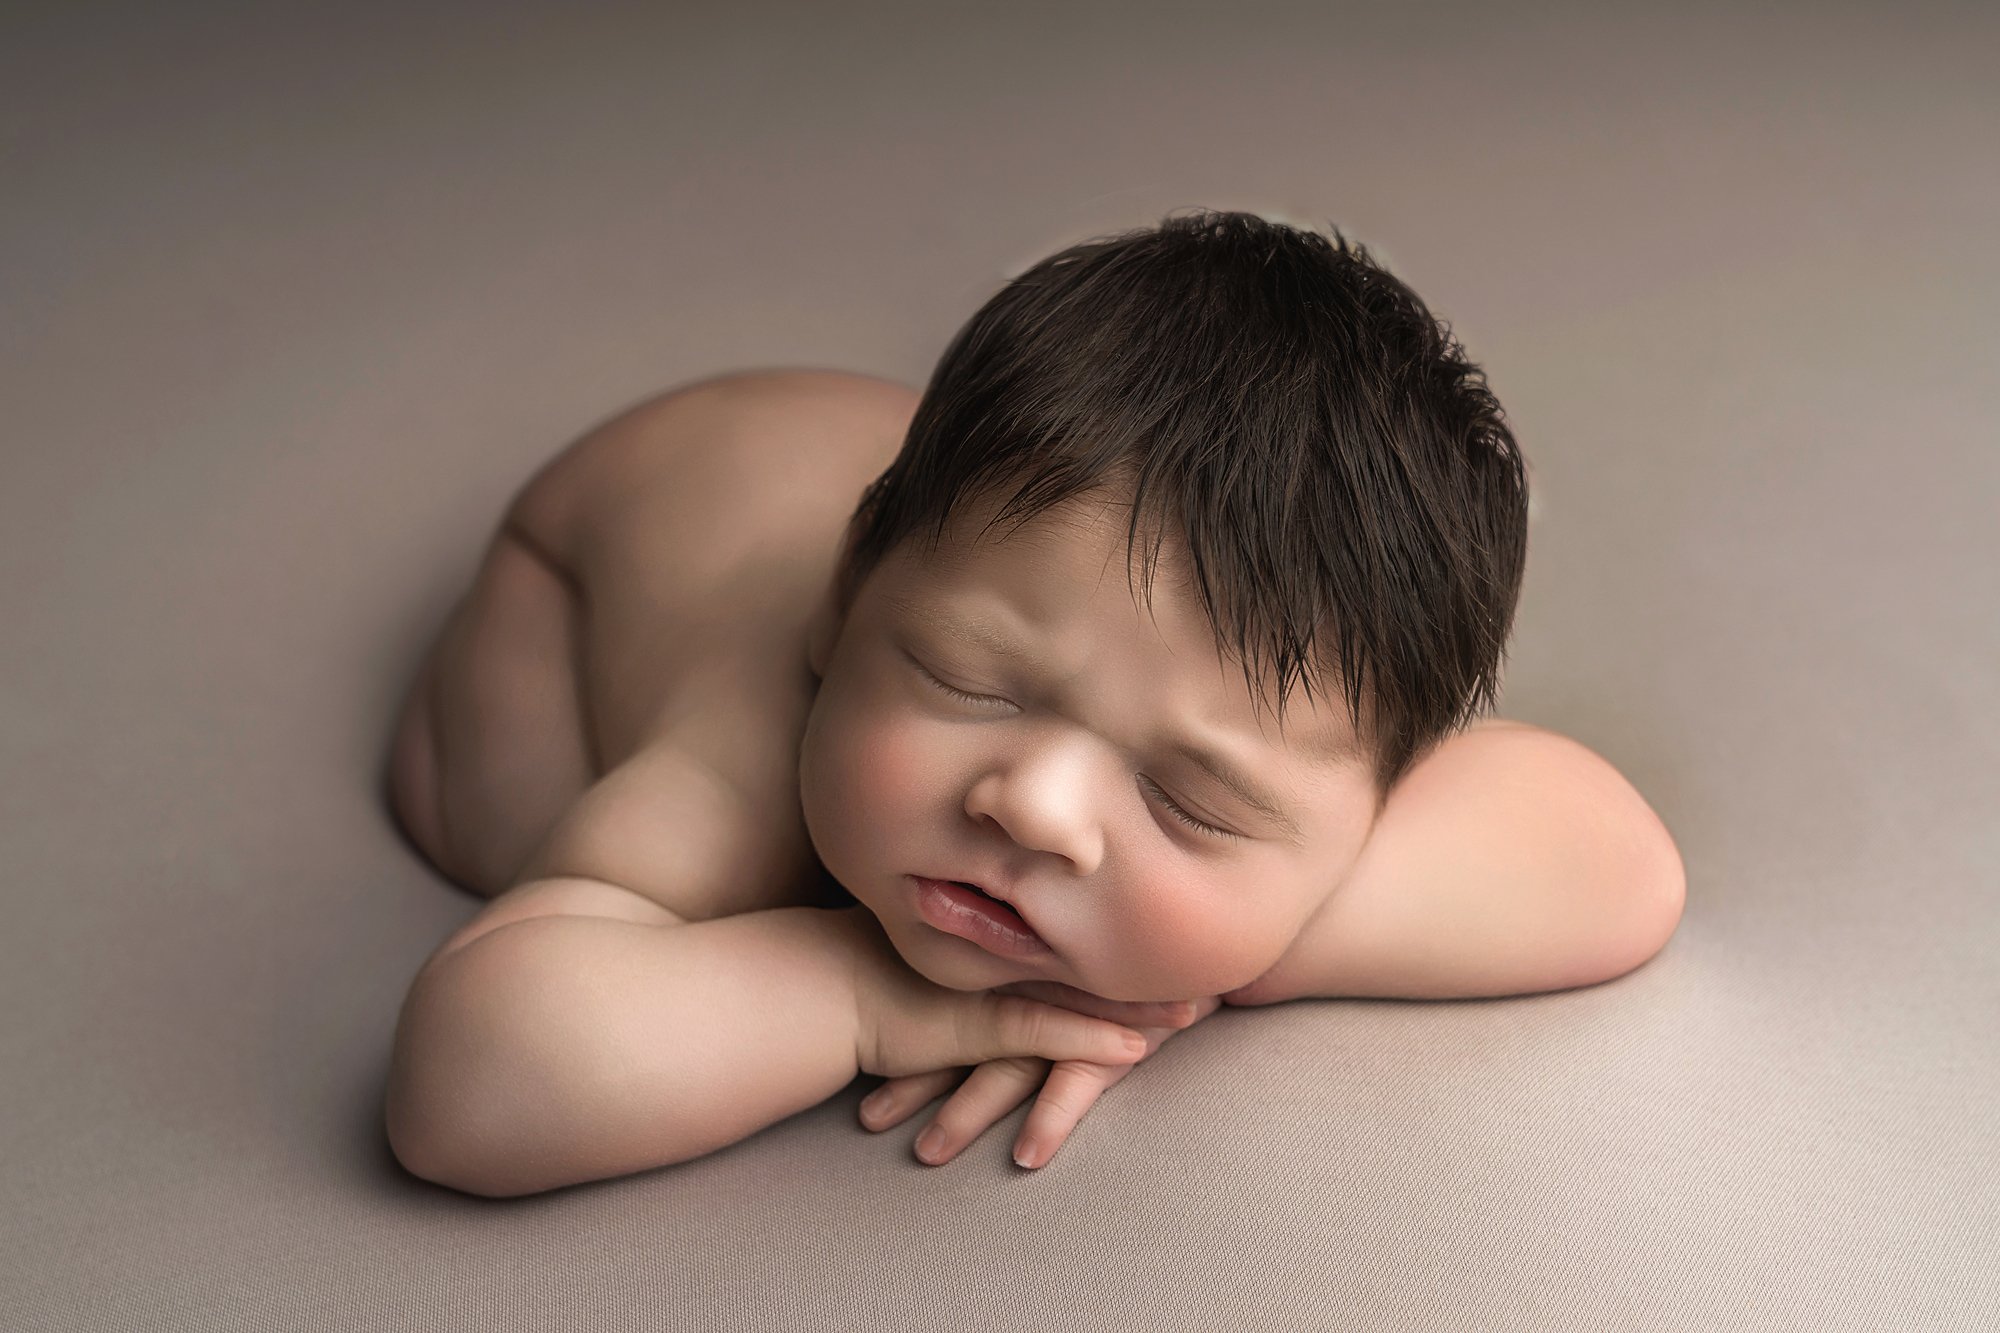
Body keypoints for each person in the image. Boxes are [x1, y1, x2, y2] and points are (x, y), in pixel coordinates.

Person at [381, 210, 1685, 1198]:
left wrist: (1216, 947)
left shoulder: (1209, 713)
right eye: (967, 684)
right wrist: (863, 997)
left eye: (1192, 796)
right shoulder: (742, 757)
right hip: (583, 571)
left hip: (971, 524)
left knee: (1061, 590)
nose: (1037, 806)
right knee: (496, 814)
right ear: (848, 608)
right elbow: (470, 1085)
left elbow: (1622, 866)